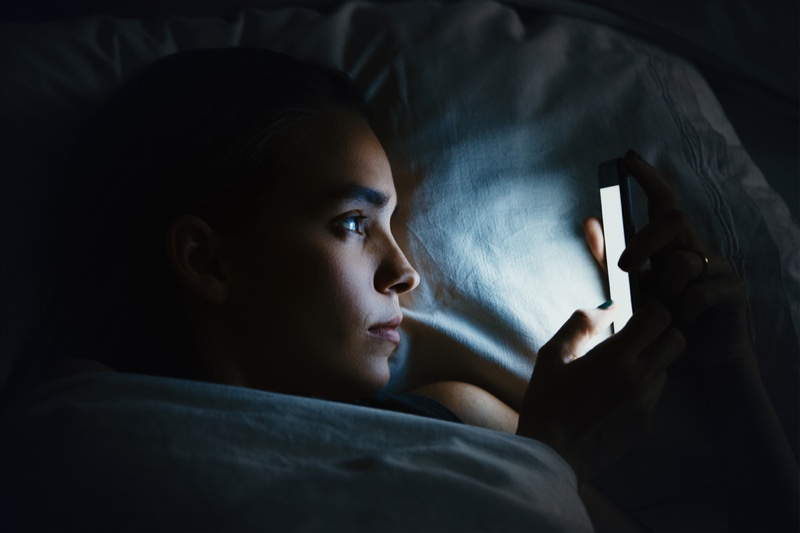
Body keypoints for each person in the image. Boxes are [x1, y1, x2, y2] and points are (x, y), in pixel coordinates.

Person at [19, 48, 798, 531]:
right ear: (207, 260)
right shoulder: (72, 436)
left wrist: (730, 374)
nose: (405, 272)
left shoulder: (464, 419)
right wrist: (553, 458)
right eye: (353, 223)